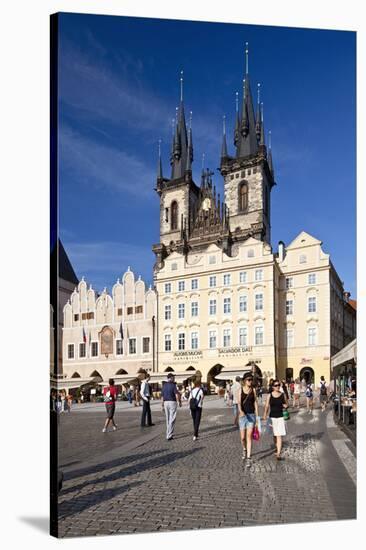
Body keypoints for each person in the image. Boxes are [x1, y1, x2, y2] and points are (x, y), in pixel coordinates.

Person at [263, 379, 288, 460]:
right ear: (273, 387)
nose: (277, 387)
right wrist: (265, 415)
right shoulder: (269, 395)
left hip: (280, 417)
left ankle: (278, 453)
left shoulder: (282, 395)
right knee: (274, 435)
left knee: (279, 435)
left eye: (278, 385)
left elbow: (286, 404)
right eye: (276, 385)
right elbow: (267, 406)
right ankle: (277, 448)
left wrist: (285, 406)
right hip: (272, 418)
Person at [238, 372, 259, 467]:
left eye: (251, 380)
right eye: (249, 380)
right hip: (242, 417)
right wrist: (240, 411)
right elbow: (239, 403)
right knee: (242, 438)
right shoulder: (240, 390)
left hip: (251, 415)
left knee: (249, 436)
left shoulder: (253, 390)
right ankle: (244, 449)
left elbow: (255, 403)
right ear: (244, 381)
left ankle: (249, 458)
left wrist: (257, 417)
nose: (250, 381)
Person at [161, 373, 181, 440]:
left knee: (168, 419)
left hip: (165, 403)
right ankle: (169, 435)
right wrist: (179, 402)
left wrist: (162, 405)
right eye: (173, 377)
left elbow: (162, 396)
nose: (174, 378)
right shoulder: (173, 385)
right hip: (172, 402)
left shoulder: (164, 385)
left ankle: (168, 433)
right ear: (171, 378)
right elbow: (176, 395)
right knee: (172, 419)